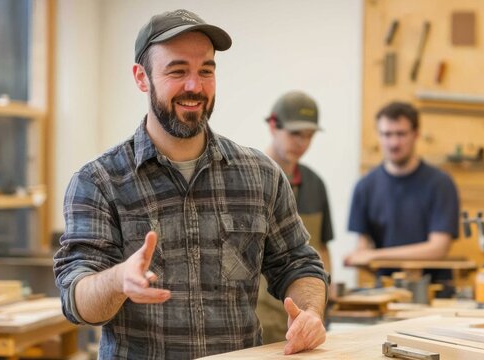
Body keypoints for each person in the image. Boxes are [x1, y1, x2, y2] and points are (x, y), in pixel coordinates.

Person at [53, 9, 328, 358]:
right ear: (141, 77)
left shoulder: (261, 175)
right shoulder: (98, 182)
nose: (194, 86)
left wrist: (311, 314)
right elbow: (76, 300)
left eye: (206, 71)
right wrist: (119, 279)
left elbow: (299, 263)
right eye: (177, 71)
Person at [345, 101, 460, 287]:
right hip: (386, 291)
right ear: (378, 136)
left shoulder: (440, 184)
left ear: (416, 134)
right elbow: (363, 246)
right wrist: (359, 258)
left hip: (434, 291)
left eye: (400, 134)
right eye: (386, 134)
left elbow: (438, 248)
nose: (393, 143)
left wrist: (375, 255)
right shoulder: (365, 186)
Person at [256, 91, 334, 344]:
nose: (302, 143)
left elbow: (322, 249)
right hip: (259, 322)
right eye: (295, 134)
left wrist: (323, 306)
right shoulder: (251, 181)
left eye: (309, 136)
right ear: (272, 126)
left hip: (303, 322)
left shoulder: (315, 184)